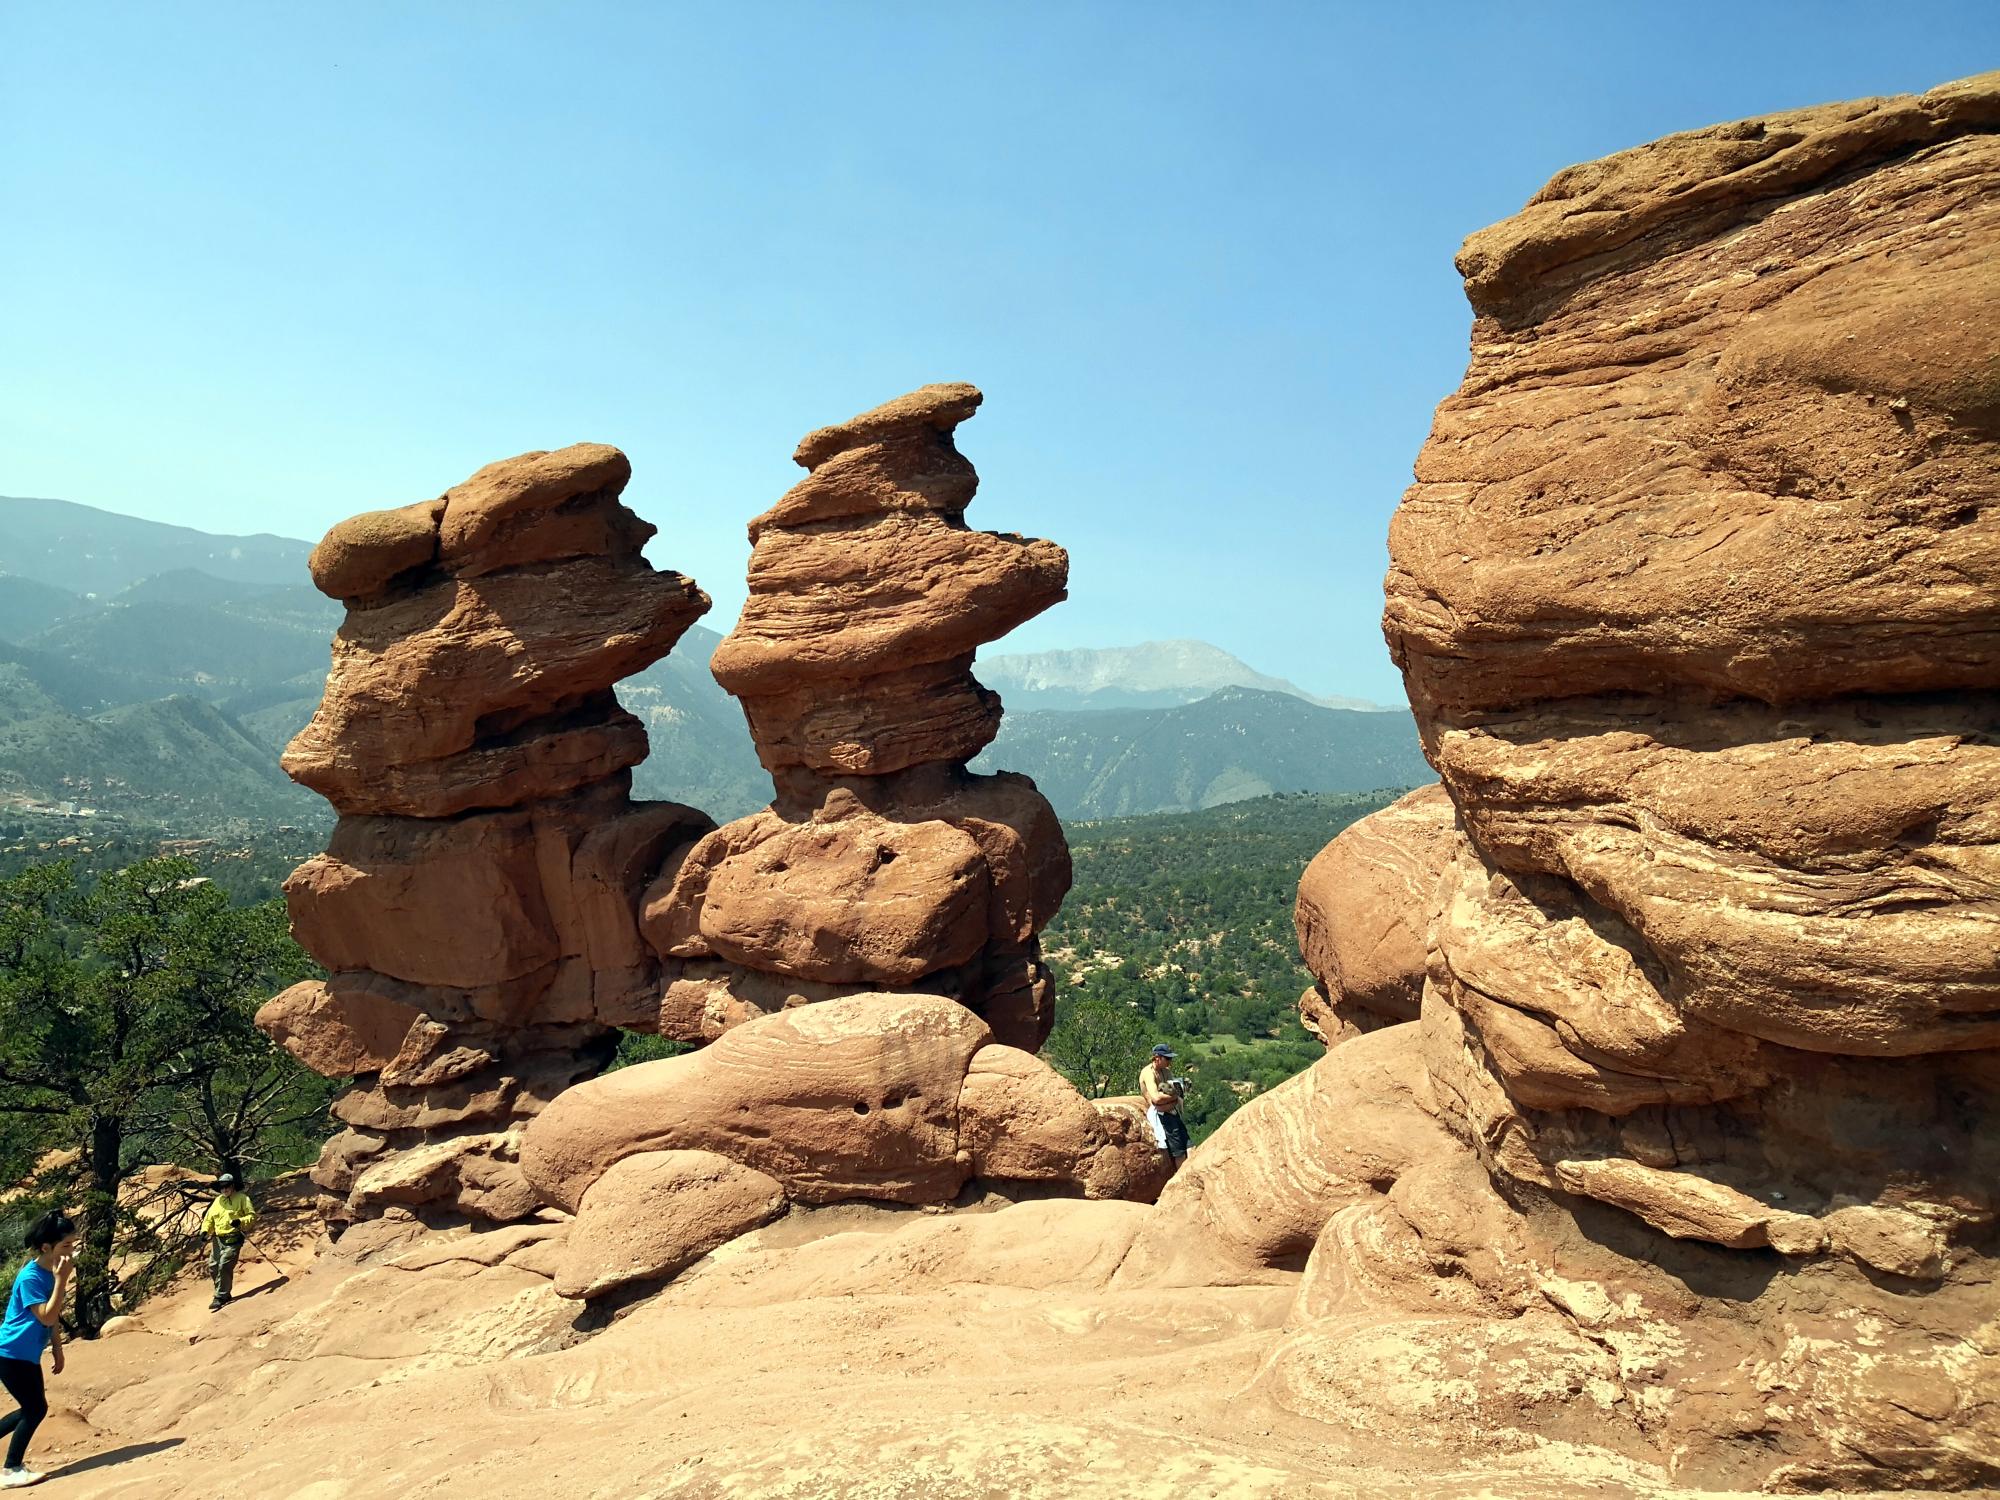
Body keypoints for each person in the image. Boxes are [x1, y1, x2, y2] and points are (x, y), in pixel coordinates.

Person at [0, 1209, 76, 1489]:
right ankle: (10, 1470)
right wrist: (61, 1281)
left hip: (26, 1354)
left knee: (32, 1408)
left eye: (73, 1244)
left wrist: (57, 1347)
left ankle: (12, 1467)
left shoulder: (49, 1272)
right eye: (66, 1245)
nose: (71, 1251)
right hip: (11, 1353)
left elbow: (52, 1316)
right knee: (35, 1409)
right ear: (47, 1247)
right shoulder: (32, 1277)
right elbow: (45, 1315)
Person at [201, 1173, 256, 1312]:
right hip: (218, 1239)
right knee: (213, 1266)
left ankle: (220, 1296)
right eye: (221, 1187)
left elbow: (252, 1216)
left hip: (234, 1237)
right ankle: (224, 1293)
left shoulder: (243, 1198)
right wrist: (205, 1231)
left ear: (232, 1186)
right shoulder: (217, 1201)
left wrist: (241, 1221)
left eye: (226, 1186)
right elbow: (209, 1219)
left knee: (225, 1263)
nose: (224, 1189)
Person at [1139, 1043, 1190, 1169]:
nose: (1170, 1061)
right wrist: (1175, 1097)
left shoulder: (1166, 1072)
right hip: (1161, 1114)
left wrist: (1174, 1096)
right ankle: (1181, 1181)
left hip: (1171, 1110)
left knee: (1189, 1145)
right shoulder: (1148, 1073)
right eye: (1167, 1058)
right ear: (1157, 1058)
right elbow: (1156, 1099)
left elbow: (1173, 1093)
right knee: (1179, 1152)